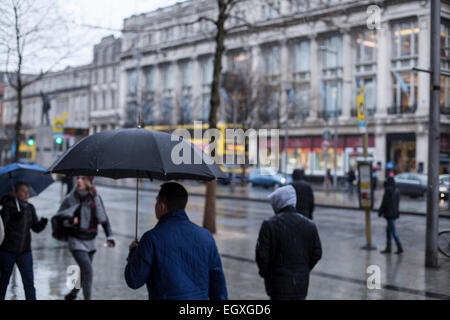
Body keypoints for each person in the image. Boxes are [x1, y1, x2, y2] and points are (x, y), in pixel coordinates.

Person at [124, 182, 227, 300]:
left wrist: (133, 253)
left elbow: (134, 280)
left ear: (162, 206)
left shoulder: (151, 238)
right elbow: (218, 286)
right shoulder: (206, 236)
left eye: (156, 201)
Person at [255, 185, 322, 300]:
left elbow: (262, 255)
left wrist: (266, 273)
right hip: (300, 286)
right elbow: (317, 253)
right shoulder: (309, 225)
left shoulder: (269, 225)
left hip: (277, 286)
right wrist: (304, 270)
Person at [57, 176, 115, 300]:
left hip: (91, 240)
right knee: (88, 271)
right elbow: (60, 218)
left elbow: (104, 219)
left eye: (83, 178)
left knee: (84, 272)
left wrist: (110, 236)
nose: (78, 181)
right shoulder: (70, 198)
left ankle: (72, 294)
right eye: (78, 178)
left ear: (89, 181)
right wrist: (71, 220)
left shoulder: (96, 198)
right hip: (76, 240)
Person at [0, 182, 48, 300]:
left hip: (25, 251)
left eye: (28, 191)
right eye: (23, 191)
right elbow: (3, 226)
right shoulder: (8, 206)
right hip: (8, 250)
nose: (27, 194)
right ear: (16, 193)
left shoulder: (30, 208)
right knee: (3, 282)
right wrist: (14, 218)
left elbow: (35, 228)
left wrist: (42, 224)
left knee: (29, 283)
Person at [378, 177, 403, 254]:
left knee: (393, 230)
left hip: (389, 213)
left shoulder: (388, 189)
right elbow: (397, 203)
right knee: (388, 230)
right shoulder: (397, 190)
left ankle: (399, 247)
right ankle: (388, 248)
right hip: (394, 213)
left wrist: (380, 211)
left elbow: (384, 202)